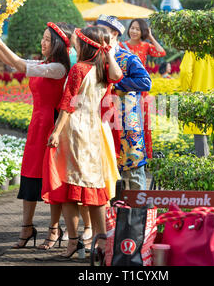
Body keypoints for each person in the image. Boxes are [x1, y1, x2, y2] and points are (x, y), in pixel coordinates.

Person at [0, 20, 72, 249]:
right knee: (30, 174)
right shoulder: (44, 63)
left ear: (59, 44)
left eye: (48, 39)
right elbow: (12, 63)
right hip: (36, 125)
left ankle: (53, 229)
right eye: (42, 38)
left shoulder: (58, 68)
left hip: (51, 126)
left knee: (51, 178)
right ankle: (26, 227)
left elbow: (19, 64)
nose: (42, 42)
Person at [42, 26, 123, 259]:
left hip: (74, 131)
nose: (75, 44)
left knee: (68, 188)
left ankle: (76, 242)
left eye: (78, 41)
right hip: (95, 132)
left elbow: (67, 103)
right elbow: (118, 76)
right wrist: (108, 54)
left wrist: (56, 131)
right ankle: (101, 242)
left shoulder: (79, 69)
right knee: (95, 189)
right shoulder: (102, 69)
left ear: (85, 45)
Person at [96, 14, 152, 191]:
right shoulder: (96, 58)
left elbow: (146, 82)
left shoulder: (128, 58)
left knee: (133, 172)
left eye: (102, 31)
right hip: (104, 121)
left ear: (113, 33)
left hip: (127, 123)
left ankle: (139, 213)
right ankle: (110, 216)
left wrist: (116, 83)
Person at [119, 18, 166, 160]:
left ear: (142, 32)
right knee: (127, 124)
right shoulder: (121, 46)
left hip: (141, 91)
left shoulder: (145, 46)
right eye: (132, 28)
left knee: (143, 123)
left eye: (138, 29)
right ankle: (128, 157)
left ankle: (144, 158)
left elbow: (161, 52)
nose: (134, 31)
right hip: (125, 90)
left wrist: (150, 36)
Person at [179, 51, 214, 157]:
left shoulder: (193, 49)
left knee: (200, 132)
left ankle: (203, 167)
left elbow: (185, 72)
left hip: (198, 96)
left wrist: (187, 92)